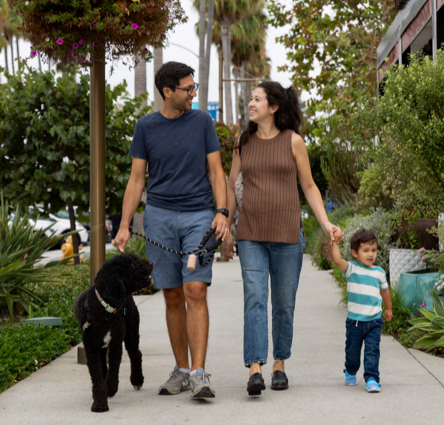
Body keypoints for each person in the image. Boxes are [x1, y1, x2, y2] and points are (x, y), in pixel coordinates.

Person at [114, 61, 228, 400]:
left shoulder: (202, 122)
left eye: (194, 87)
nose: (194, 94)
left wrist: (221, 213)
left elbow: (217, 171)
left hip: (198, 216)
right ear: (168, 91)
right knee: (173, 294)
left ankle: (199, 373)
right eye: (188, 89)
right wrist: (123, 225)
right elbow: (136, 180)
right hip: (159, 217)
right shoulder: (145, 127)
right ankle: (181, 370)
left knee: (196, 290)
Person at [222, 81, 344, 396]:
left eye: (257, 99)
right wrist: (224, 222)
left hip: (288, 236)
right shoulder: (242, 142)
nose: (251, 104)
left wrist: (326, 222)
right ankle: (255, 368)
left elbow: (310, 186)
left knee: (284, 304)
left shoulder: (293, 142)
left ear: (273, 107)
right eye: (251, 99)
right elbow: (233, 183)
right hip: (250, 235)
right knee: (255, 298)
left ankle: (279, 363)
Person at [331, 229, 393, 393]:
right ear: (355, 253)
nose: (370, 254)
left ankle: (372, 378)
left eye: (373, 250)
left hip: (374, 321)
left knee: (372, 351)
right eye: (365, 250)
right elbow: (337, 260)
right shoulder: (351, 269)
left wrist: (389, 308)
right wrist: (334, 244)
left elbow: (385, 291)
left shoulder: (379, 272)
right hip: (355, 322)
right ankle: (350, 371)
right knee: (352, 351)